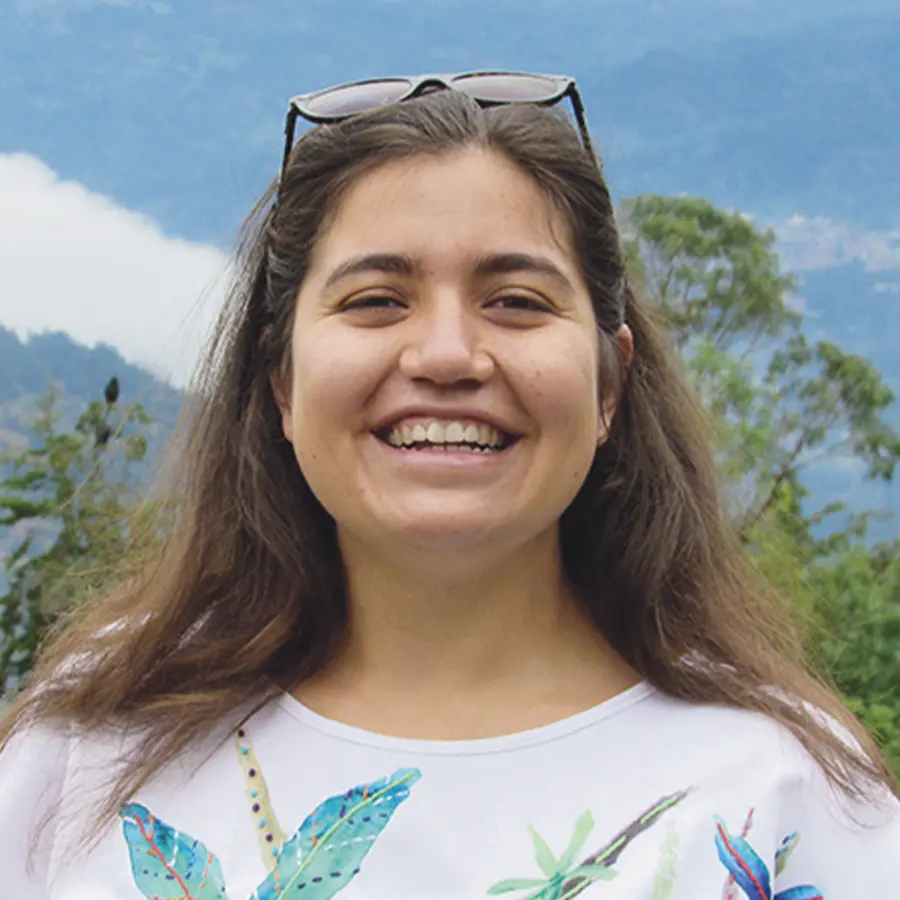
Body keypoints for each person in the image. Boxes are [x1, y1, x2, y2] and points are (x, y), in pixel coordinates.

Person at [1, 72, 898, 899]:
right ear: (280, 381)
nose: (446, 355)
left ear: (609, 385)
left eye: (516, 301)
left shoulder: (780, 794)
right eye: (375, 300)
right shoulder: (95, 745)